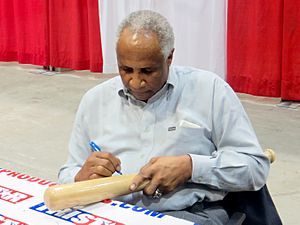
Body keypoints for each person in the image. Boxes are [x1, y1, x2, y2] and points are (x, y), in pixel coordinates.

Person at [58, 10, 270, 225]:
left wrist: (191, 167)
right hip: (111, 212)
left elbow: (255, 167)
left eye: (147, 71)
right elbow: (68, 173)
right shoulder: (95, 100)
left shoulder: (210, 91)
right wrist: (81, 177)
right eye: (126, 69)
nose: (135, 82)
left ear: (169, 57)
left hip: (188, 214)